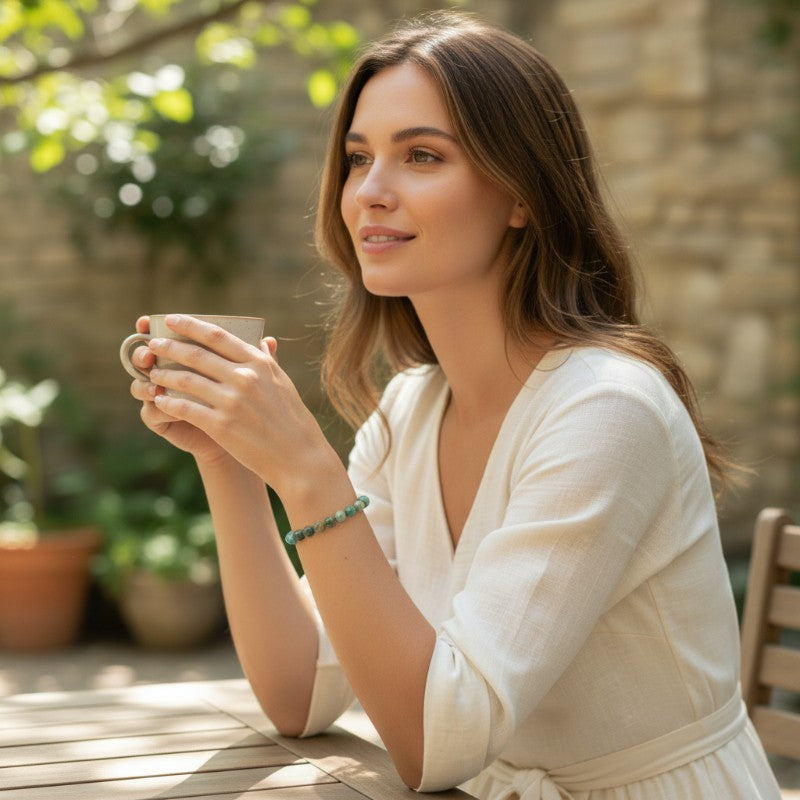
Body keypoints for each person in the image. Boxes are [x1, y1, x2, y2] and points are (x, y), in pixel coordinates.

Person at [127, 10, 782, 799]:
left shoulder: (607, 410)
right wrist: (231, 461)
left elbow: (436, 745)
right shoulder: (413, 409)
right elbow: (300, 692)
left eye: (422, 157)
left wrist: (308, 471)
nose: (369, 192)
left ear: (521, 196)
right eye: (358, 158)